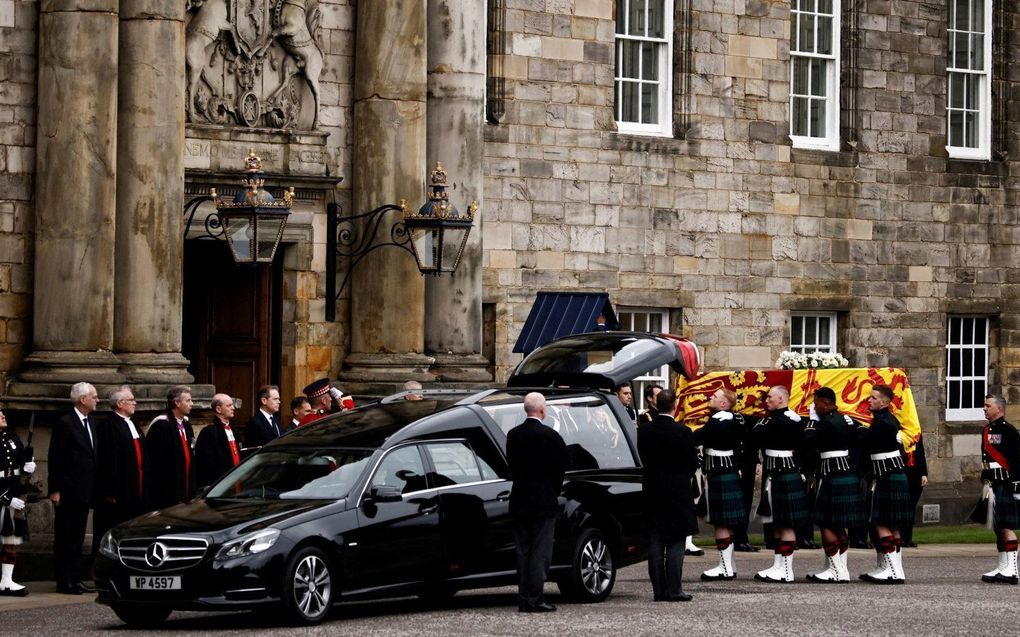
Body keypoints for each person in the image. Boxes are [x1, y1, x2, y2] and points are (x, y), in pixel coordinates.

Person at [506, 392, 567, 613]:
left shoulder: (513, 435)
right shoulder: (550, 436)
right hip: (543, 501)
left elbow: (511, 466)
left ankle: (524, 597)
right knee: (540, 553)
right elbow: (559, 469)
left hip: (520, 498)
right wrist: (552, 491)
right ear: (542, 410)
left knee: (522, 551)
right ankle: (535, 597)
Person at [639, 389, 698, 601]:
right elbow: (692, 463)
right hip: (677, 492)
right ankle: (674, 589)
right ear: (675, 405)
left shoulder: (644, 431)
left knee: (655, 543)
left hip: (652, 491)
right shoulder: (683, 432)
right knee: (675, 542)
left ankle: (659, 590)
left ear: (656, 404)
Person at [803, 387, 865, 582]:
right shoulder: (844, 419)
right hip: (844, 471)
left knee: (826, 521)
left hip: (833, 473)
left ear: (827, 403)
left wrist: (812, 421)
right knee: (838, 524)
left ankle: (838, 570)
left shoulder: (828, 422)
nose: (814, 406)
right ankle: (837, 567)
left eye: (816, 402)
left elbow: (808, 440)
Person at [752, 385, 809, 583]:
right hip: (775, 473)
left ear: (781, 399)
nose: (766, 400)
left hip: (784, 472)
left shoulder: (785, 420)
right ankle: (778, 565)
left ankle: (786, 569)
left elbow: (758, 435)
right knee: (777, 521)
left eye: (769, 397)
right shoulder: (780, 419)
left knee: (785, 522)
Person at [47, 382, 98, 595]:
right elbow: (56, 458)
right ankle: (64, 579)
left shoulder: (91, 422)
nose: (97, 400)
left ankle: (75, 577)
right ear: (82, 399)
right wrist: (55, 489)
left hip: (85, 490)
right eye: (94, 396)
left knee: (77, 536)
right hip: (68, 490)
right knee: (65, 536)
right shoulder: (65, 423)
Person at [859, 385, 913, 584]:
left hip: (887, 475)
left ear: (884, 402)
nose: (869, 400)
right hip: (890, 474)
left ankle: (892, 570)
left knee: (881, 522)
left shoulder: (883, 423)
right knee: (892, 525)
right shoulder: (886, 420)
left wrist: (856, 428)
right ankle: (894, 568)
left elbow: (868, 442)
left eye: (873, 398)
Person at [696, 388, 747, 581]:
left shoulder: (719, 420)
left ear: (724, 403)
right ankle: (729, 565)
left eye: (715, 396)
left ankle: (725, 568)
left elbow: (699, 437)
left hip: (720, 472)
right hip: (727, 470)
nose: (710, 397)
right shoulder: (733, 419)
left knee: (721, 521)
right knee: (725, 521)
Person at [93, 387, 146, 562]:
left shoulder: (132, 423)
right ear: (119, 404)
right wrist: (110, 490)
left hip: (135, 487)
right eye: (131, 400)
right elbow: (107, 459)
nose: (134, 403)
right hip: (119, 490)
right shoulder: (108, 425)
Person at [978, 394, 1020, 585]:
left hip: (1007, 483)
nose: (984, 409)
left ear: (999, 408)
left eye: (987, 406)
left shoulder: (1009, 430)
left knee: (1006, 526)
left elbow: (1017, 460)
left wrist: (1017, 485)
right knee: (998, 526)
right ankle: (1003, 566)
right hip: (993, 483)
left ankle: (1012, 570)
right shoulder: (987, 430)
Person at [0, 406, 36, 596]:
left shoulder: (11, 438)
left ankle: (6, 580)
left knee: (11, 539)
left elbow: (21, 462)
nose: (2, 415)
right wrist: (5, 498)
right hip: (3, 494)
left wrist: (28, 466)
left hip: (14, 490)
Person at [145, 386, 196, 510]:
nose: (192, 404)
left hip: (187, 485)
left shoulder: (186, 425)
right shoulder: (162, 426)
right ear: (177, 403)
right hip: (167, 488)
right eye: (188, 400)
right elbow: (157, 461)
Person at [731, 401, 762, 553]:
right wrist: (736, 465)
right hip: (737, 464)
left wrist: (756, 460)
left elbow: (752, 440)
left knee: (747, 501)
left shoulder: (752, 414)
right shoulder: (731, 417)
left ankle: (742, 537)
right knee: (738, 503)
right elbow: (734, 442)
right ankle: (737, 539)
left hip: (749, 462)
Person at [195, 394, 242, 490]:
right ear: (218, 409)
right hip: (220, 483)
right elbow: (205, 462)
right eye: (229, 406)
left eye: (232, 405)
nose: (233, 408)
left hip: (236, 480)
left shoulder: (234, 430)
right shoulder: (208, 432)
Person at [900, 431, 928, 547]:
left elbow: (920, 453)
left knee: (911, 507)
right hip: (901, 471)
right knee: (902, 507)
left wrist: (924, 473)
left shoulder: (915, 433)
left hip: (915, 473)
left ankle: (907, 538)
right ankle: (901, 537)